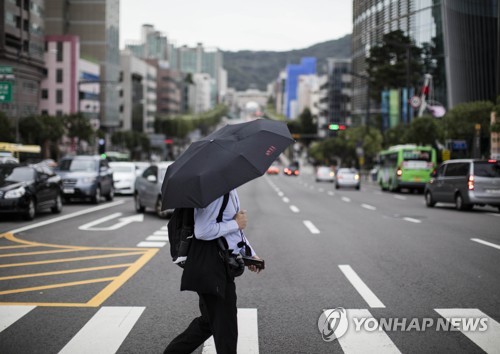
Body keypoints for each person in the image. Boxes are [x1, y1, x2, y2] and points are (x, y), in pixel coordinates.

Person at [164, 189, 262, 354]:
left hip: (217, 265)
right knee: (226, 327)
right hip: (212, 267)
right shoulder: (215, 193)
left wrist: (249, 253)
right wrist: (235, 223)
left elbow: (233, 232)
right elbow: (202, 231)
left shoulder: (229, 189)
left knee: (209, 322)